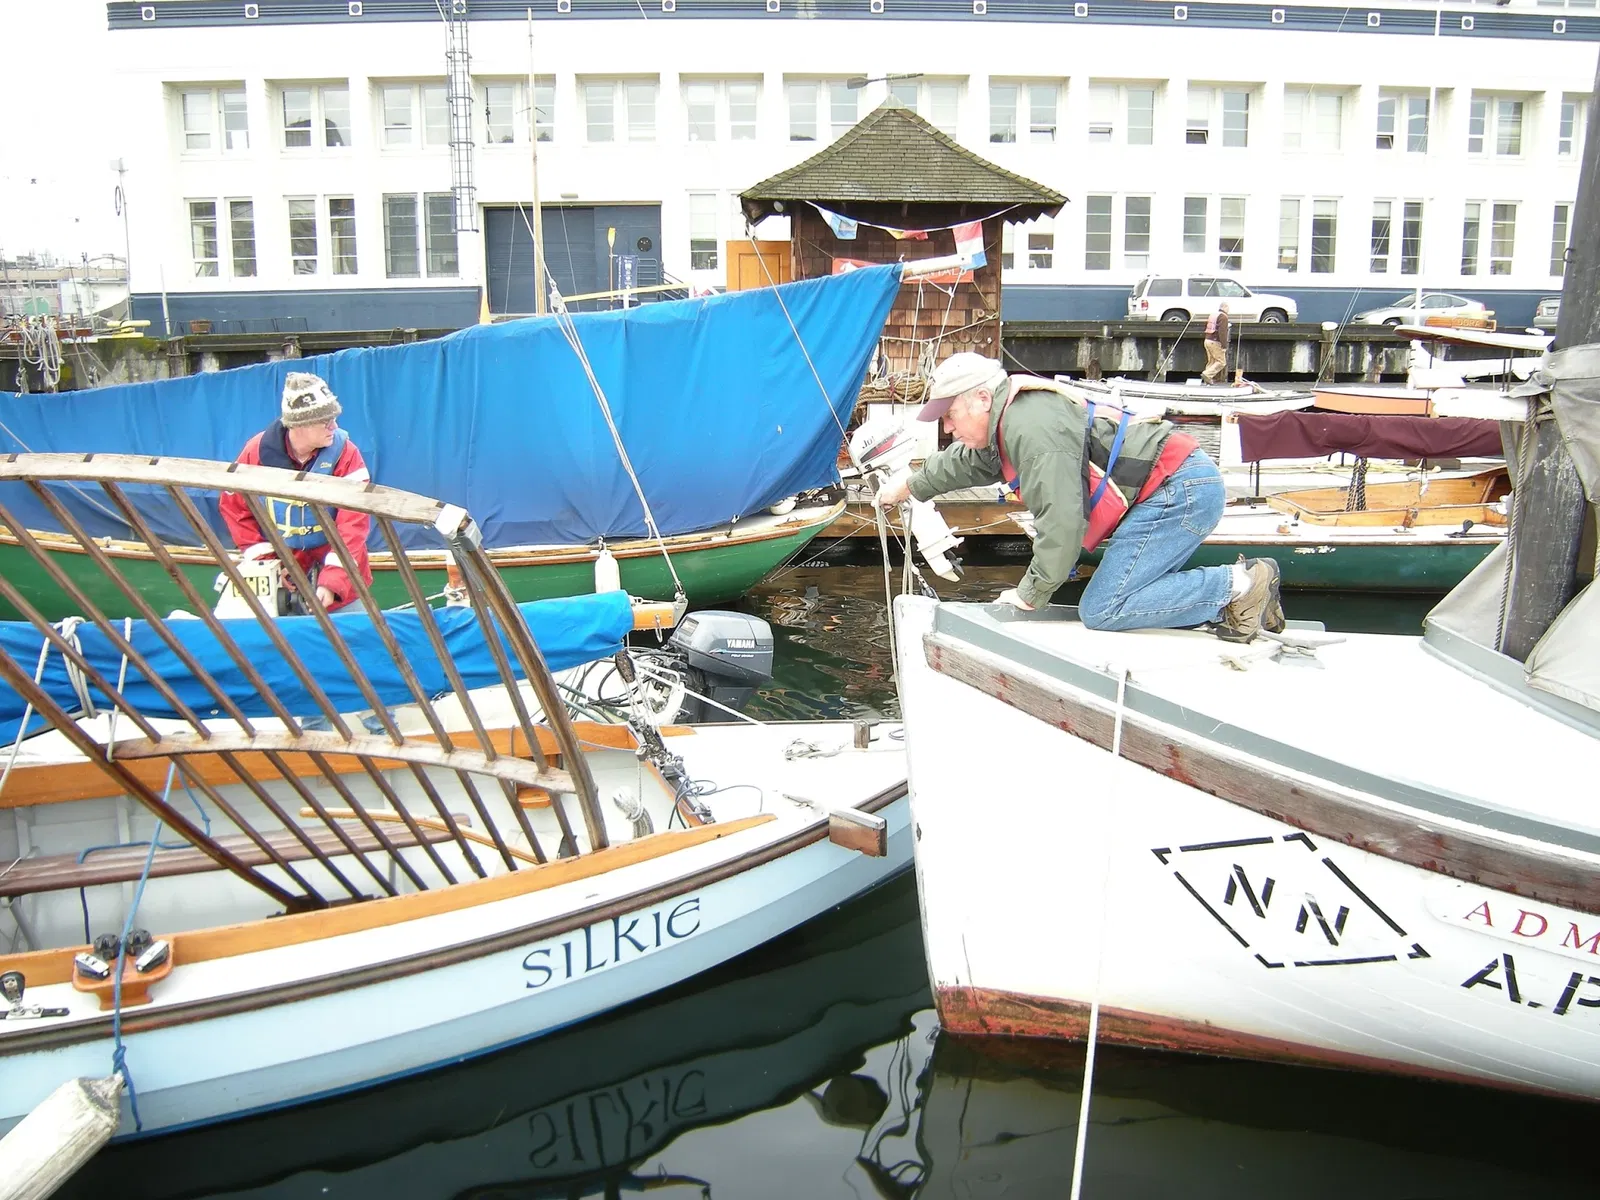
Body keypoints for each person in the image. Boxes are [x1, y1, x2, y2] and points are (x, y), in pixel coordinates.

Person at [875, 353, 1283, 642]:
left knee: (1104, 609)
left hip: (1178, 491)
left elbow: (1062, 521)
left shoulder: (1032, 429)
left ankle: (1243, 585)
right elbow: (970, 462)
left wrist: (1031, 593)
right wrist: (909, 485)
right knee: (1125, 597)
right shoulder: (1012, 420)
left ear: (982, 399)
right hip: (1176, 486)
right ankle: (1240, 602)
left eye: (949, 415)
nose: (947, 428)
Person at [219, 371, 373, 612]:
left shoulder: (347, 454)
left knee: (350, 632)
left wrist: (333, 582)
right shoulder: (255, 453)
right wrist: (267, 564)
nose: (334, 426)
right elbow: (235, 509)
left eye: (334, 418)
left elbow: (353, 523)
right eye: (326, 421)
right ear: (300, 424)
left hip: (341, 581)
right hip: (283, 579)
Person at [1202, 301, 1230, 386]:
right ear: (1225, 307)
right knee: (1221, 362)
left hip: (1207, 340)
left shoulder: (1213, 315)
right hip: (1215, 341)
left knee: (1211, 361)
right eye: (1228, 308)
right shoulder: (1223, 317)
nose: (1228, 310)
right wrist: (1224, 346)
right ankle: (1207, 374)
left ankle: (1207, 380)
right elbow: (1222, 332)